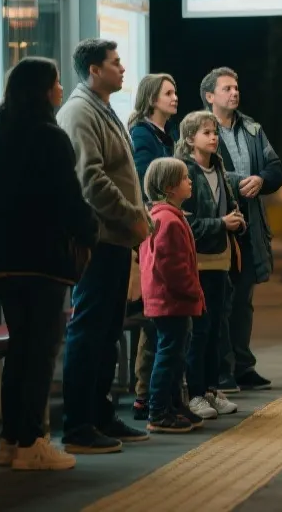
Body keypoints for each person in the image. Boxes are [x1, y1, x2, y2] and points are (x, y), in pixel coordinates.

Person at [0, 56, 98, 471]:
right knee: (39, 352)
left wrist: (0, 231)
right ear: (42, 90)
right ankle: (31, 443)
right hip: (43, 262)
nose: (61, 89)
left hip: (1, 264)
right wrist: (89, 231)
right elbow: (69, 201)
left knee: (19, 349)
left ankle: (10, 441)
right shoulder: (51, 138)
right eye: (55, 83)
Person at [57, 39, 151, 453]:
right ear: (94, 70)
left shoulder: (101, 108)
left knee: (108, 332)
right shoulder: (80, 112)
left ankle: (100, 414)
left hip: (115, 239)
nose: (122, 68)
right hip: (99, 239)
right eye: (115, 62)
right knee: (89, 331)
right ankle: (78, 425)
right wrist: (132, 215)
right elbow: (90, 179)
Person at [200, 67, 282, 392]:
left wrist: (261, 180)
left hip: (249, 226)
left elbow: (275, 167)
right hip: (218, 229)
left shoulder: (252, 128)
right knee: (220, 301)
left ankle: (243, 366)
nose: (234, 92)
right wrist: (239, 182)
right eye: (227, 88)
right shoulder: (199, 129)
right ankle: (221, 370)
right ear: (210, 96)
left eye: (236, 87)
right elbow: (198, 171)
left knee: (243, 301)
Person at [176, 110, 243, 419]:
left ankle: (212, 389)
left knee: (217, 328)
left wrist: (235, 220)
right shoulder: (184, 173)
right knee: (199, 330)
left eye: (215, 132)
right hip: (197, 262)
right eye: (206, 132)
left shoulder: (219, 168)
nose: (214, 137)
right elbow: (186, 224)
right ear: (190, 139)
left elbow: (227, 208)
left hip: (220, 261)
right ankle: (195, 393)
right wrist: (221, 224)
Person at [138, 157, 205, 434]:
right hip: (172, 300)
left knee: (176, 356)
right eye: (184, 178)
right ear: (169, 187)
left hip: (170, 300)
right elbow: (172, 266)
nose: (190, 181)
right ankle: (159, 411)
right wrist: (193, 291)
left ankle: (175, 405)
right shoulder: (168, 220)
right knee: (169, 356)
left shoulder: (166, 216)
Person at [127, 74, 180, 422]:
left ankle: (160, 394)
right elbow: (148, 181)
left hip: (163, 227)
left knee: (161, 319)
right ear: (151, 99)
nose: (175, 98)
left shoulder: (165, 135)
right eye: (168, 93)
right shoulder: (142, 135)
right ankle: (146, 396)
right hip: (153, 232)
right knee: (153, 318)